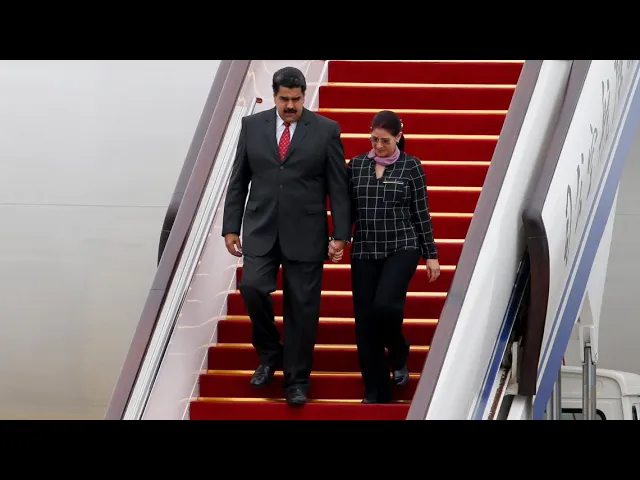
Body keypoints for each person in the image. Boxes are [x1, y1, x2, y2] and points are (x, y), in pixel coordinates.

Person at [221, 66, 352, 406]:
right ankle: (270, 354)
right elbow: (238, 179)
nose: (291, 105)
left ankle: (296, 381)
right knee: (252, 288)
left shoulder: (326, 130)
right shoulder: (252, 126)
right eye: (284, 99)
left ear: (304, 95)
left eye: (296, 99)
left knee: (302, 309)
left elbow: (338, 185)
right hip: (260, 228)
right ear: (274, 96)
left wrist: (340, 233)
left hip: (306, 233)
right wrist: (231, 226)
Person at [329, 110, 441, 404]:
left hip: (402, 246)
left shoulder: (411, 166)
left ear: (398, 138)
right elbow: (348, 209)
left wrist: (430, 254)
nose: (378, 146)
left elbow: (421, 212)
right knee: (365, 320)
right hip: (365, 248)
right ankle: (376, 389)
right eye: (374, 140)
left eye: (385, 141)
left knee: (386, 306)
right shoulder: (357, 166)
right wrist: (339, 238)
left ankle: (399, 351)